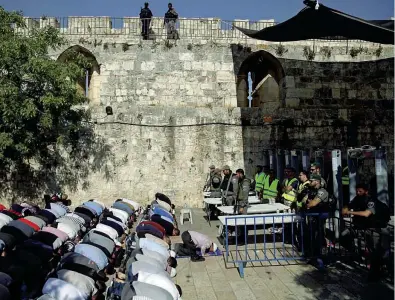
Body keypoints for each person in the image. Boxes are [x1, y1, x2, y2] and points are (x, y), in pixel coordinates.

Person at [341, 183, 390, 281]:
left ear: (366, 191)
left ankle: (378, 273)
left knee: (376, 252)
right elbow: (349, 205)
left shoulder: (371, 201)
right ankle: (355, 254)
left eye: (360, 191)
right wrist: (345, 208)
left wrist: (349, 212)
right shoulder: (357, 198)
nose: (358, 193)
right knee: (344, 236)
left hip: (375, 229)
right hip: (362, 227)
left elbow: (366, 214)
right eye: (357, 191)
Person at [304, 174, 330, 264]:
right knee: (313, 237)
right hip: (314, 218)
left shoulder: (322, 191)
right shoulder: (313, 191)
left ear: (317, 181)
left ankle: (323, 258)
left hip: (320, 218)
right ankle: (314, 256)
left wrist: (309, 203)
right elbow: (306, 202)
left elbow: (312, 204)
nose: (310, 182)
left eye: (311, 181)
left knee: (320, 237)